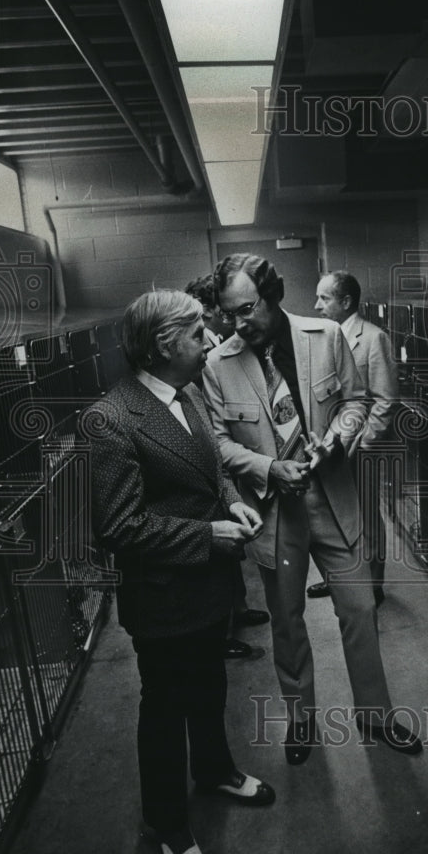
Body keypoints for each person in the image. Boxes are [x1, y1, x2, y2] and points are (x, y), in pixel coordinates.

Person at [83, 289, 275, 854]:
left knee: (210, 683)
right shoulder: (112, 419)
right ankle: (166, 822)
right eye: (198, 334)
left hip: (209, 586)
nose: (211, 341)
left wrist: (235, 502)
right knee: (164, 708)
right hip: (165, 595)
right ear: (165, 345)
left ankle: (215, 769)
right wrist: (206, 533)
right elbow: (118, 527)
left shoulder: (186, 393)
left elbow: (210, 468)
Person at [203, 254, 422, 765]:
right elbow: (216, 443)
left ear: (273, 294)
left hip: (332, 499)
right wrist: (265, 466)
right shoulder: (220, 365)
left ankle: (375, 714)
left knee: (360, 610)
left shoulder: (324, 337)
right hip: (276, 511)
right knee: (287, 622)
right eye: (230, 314)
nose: (239, 323)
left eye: (247, 309)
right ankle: (301, 720)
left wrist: (337, 440)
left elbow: (356, 402)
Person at [185, 274, 270, 659]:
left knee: (231, 543)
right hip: (211, 451)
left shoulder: (219, 342)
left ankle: (237, 609)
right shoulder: (206, 348)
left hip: (225, 453)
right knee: (219, 545)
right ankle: (222, 630)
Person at [309, 270, 398, 606]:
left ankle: (373, 585)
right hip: (330, 447)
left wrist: (363, 445)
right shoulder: (323, 337)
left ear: (346, 301)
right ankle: (339, 580)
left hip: (361, 449)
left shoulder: (374, 338)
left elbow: (385, 400)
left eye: (324, 298)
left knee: (365, 516)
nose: (316, 305)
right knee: (332, 516)